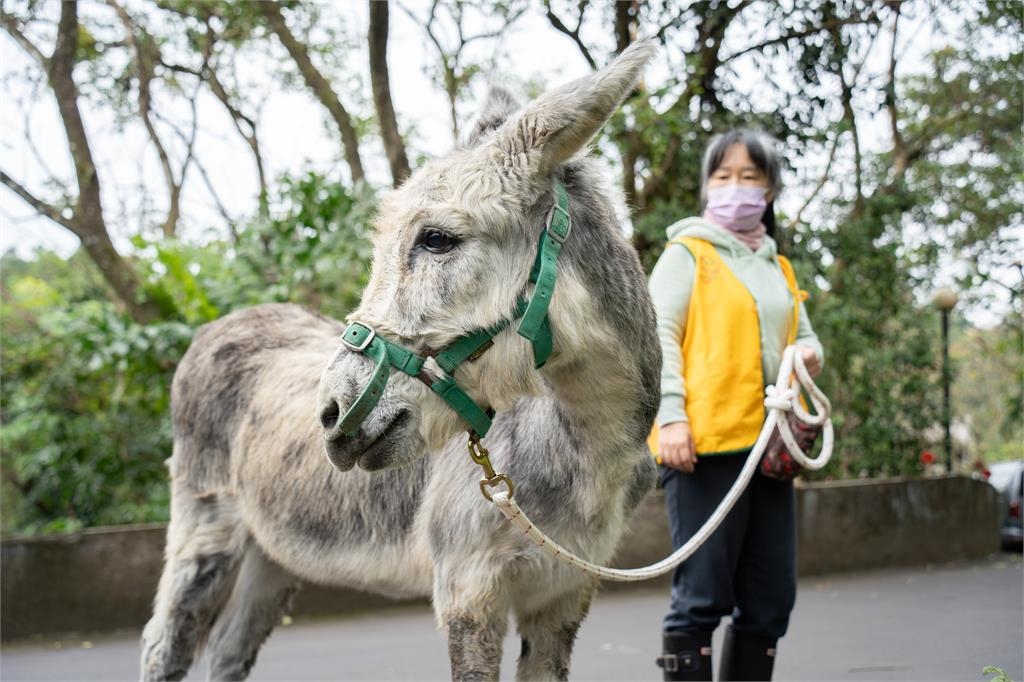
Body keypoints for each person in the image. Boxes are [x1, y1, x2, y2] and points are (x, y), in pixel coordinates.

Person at [650, 129, 824, 681]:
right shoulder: (687, 255)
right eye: (723, 176)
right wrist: (671, 417)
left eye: (749, 176)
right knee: (700, 597)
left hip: (771, 450)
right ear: (707, 186)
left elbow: (807, 337)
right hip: (703, 447)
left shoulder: (779, 267)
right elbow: (657, 337)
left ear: (768, 190)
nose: (736, 186)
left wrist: (808, 355)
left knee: (770, 600)